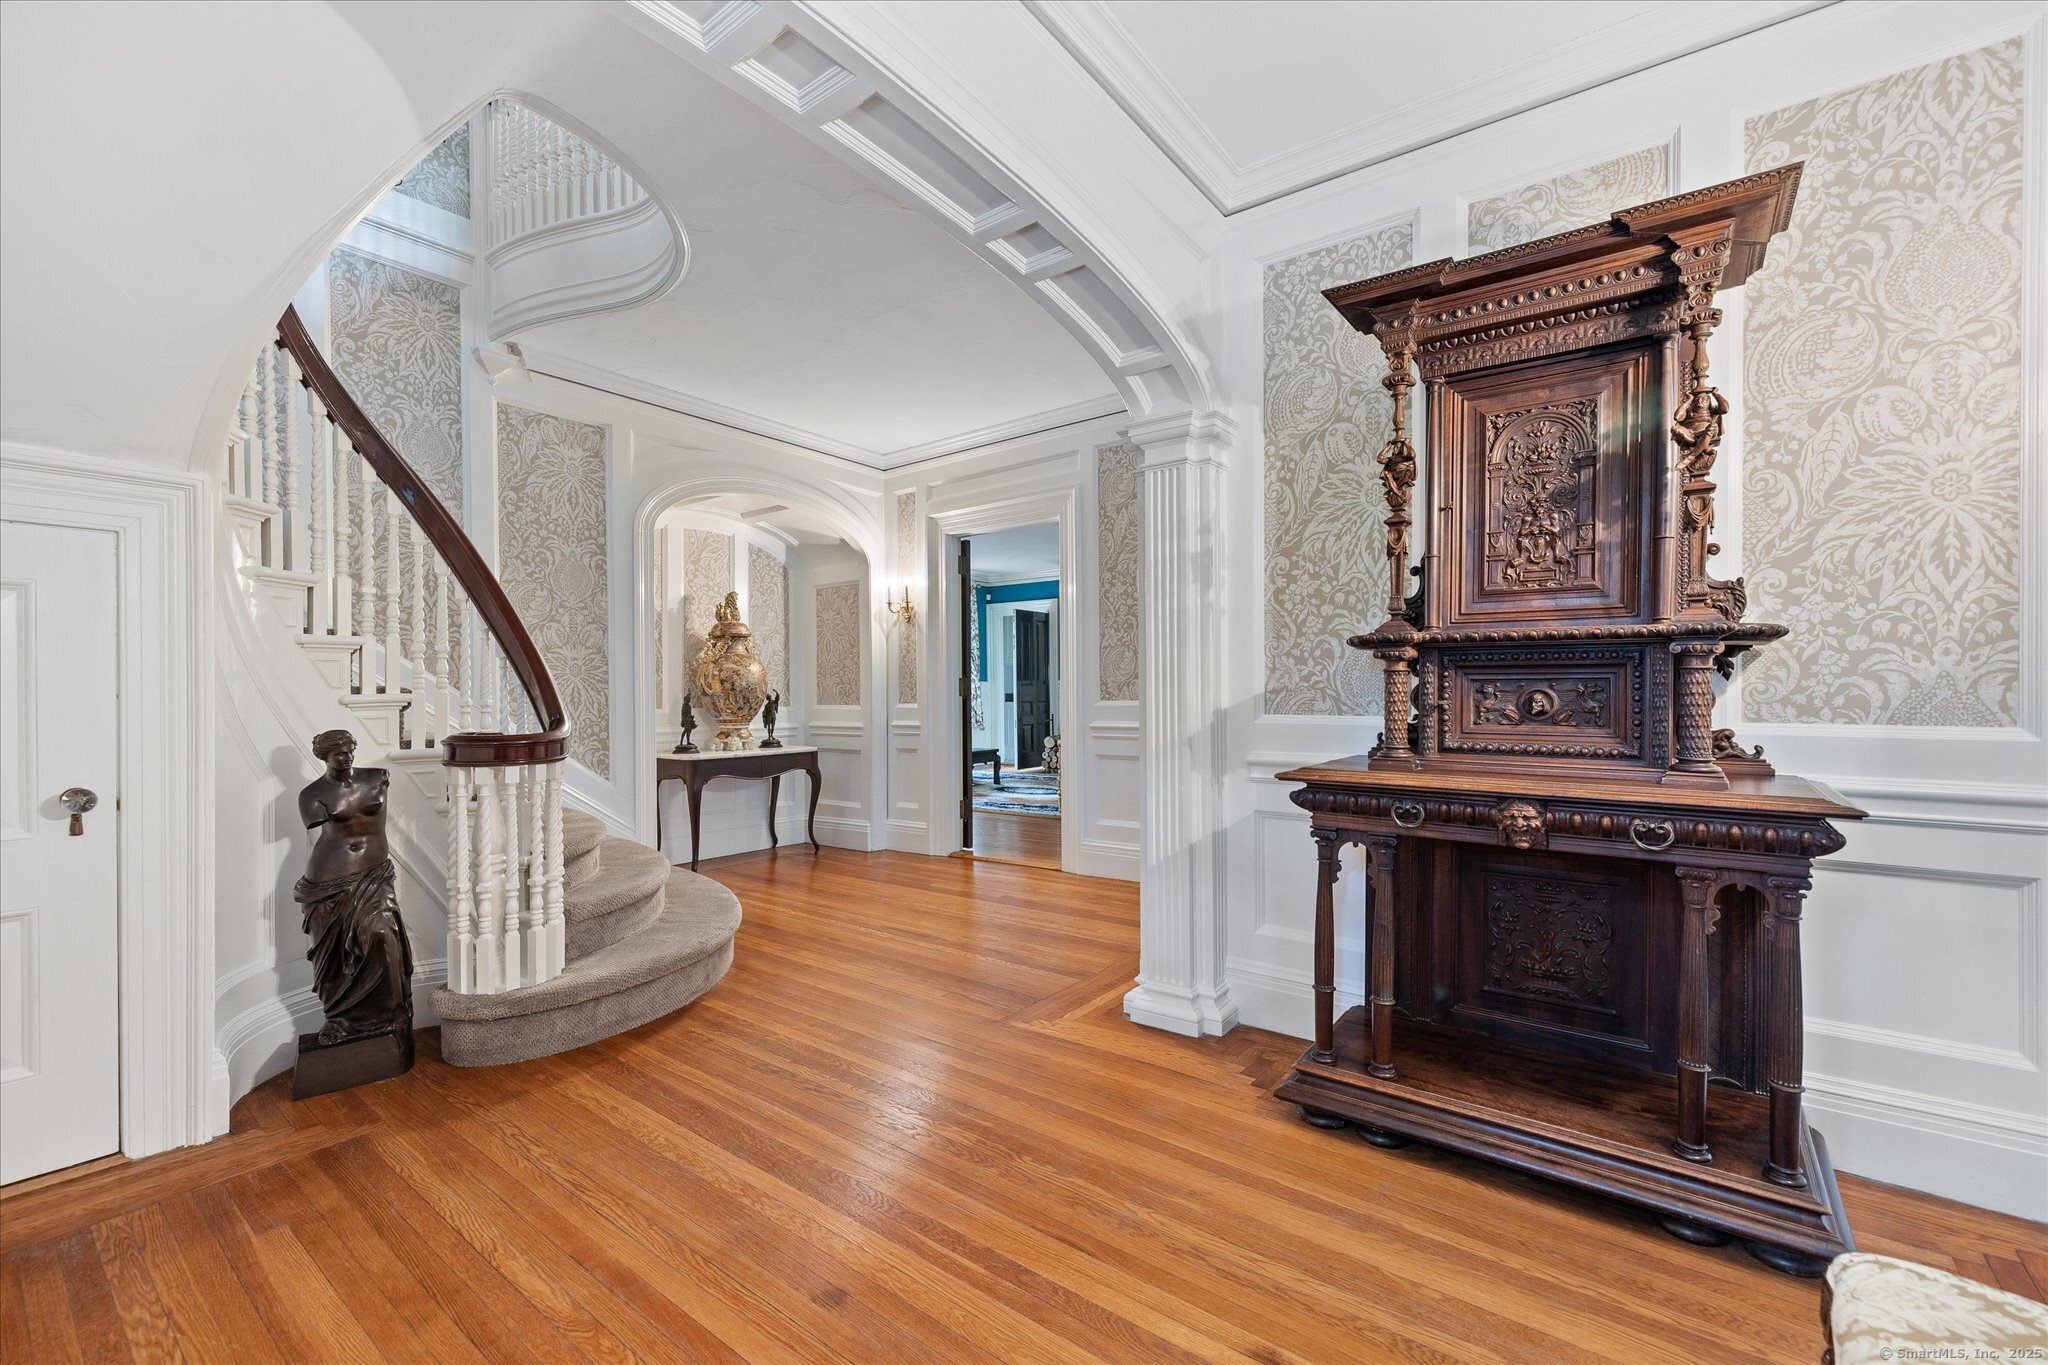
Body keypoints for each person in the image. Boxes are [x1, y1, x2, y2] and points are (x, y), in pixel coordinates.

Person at [294, 729, 414, 1047]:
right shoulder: (312, 794)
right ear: (325, 756)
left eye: (350, 751)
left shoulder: (378, 778)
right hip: (329, 881)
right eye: (339, 754)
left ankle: (393, 1016)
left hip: (374, 875)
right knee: (335, 956)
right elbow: (314, 838)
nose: (347, 757)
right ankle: (341, 1019)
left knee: (383, 936)